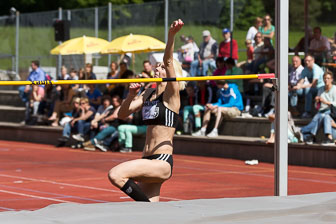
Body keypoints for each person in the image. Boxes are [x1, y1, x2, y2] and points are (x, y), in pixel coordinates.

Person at [107, 19, 185, 202]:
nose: (158, 69)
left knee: (116, 174)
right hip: (147, 158)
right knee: (150, 212)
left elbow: (168, 60)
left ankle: (145, 206)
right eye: (156, 67)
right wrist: (130, 95)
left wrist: (171, 35)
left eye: (161, 68)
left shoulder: (172, 95)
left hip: (161, 161)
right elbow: (122, 114)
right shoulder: (148, 93)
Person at [300, 71, 336, 145]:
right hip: (321, 111)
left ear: (332, 79)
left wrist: (325, 102)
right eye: (325, 78)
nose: (326, 80)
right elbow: (317, 107)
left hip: (331, 111)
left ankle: (303, 131)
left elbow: (335, 104)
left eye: (328, 78)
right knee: (318, 117)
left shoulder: (335, 89)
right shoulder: (320, 89)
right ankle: (312, 136)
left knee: (322, 116)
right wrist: (317, 101)